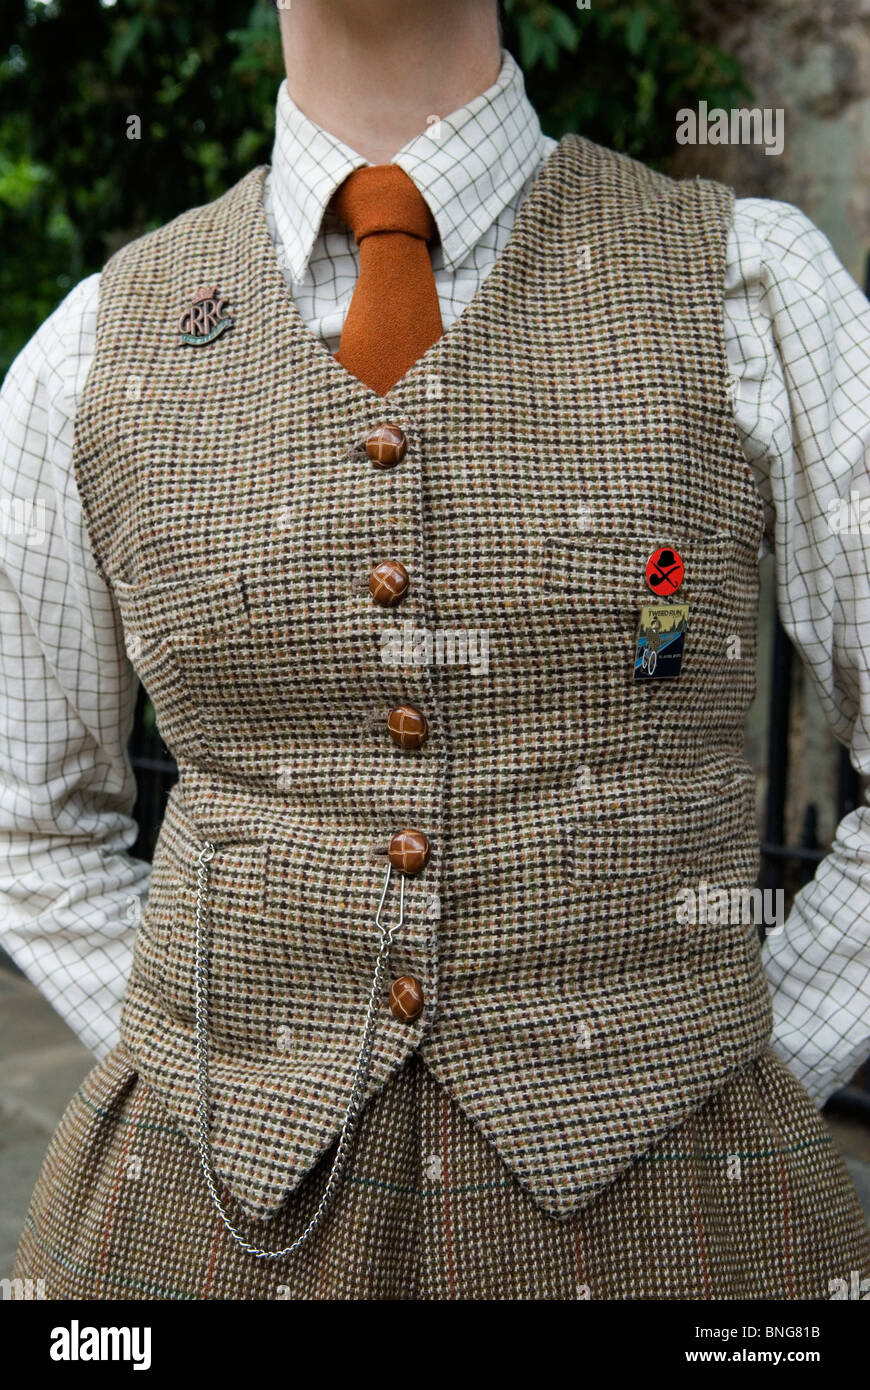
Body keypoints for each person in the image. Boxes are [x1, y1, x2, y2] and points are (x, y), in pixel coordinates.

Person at [3, 0, 870, 1300]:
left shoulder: (756, 289)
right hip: (198, 1233)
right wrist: (218, 1062)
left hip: (693, 1232)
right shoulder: (89, 355)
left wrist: (736, 1063)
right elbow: (33, 824)